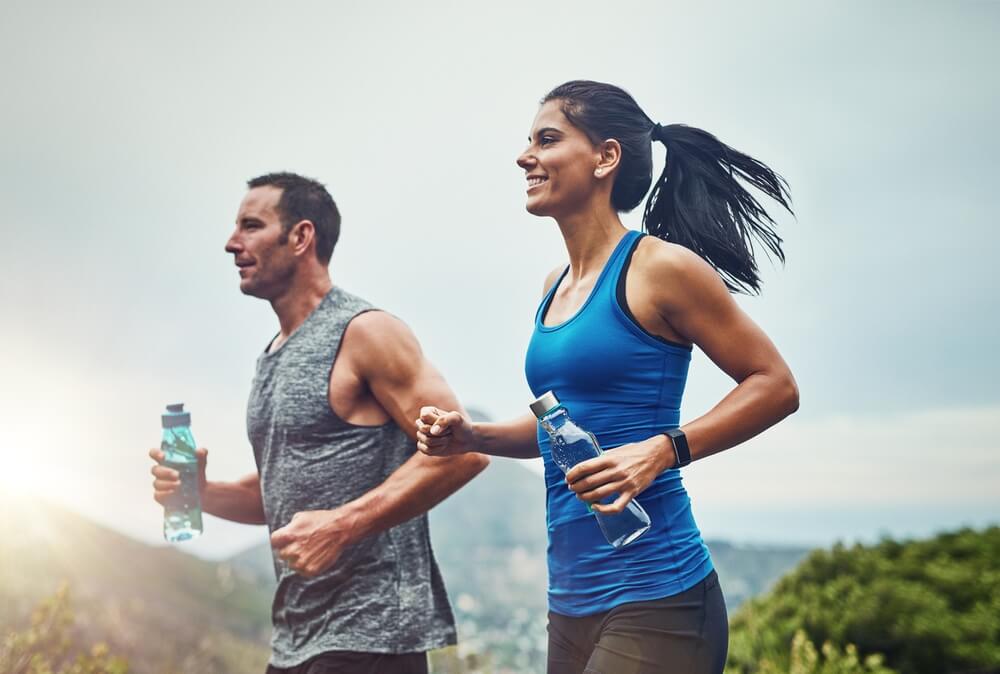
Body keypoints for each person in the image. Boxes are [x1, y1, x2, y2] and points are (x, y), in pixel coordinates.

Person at [416, 81, 800, 674]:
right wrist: (473, 436)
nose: (525, 157)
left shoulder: (661, 269)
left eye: (547, 139)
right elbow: (561, 424)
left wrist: (663, 450)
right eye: (529, 142)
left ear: (605, 157)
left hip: (659, 596)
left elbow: (774, 384)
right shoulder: (554, 287)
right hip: (570, 603)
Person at [149, 172, 489, 674]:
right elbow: (284, 494)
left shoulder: (366, 331)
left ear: (301, 236)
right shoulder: (271, 356)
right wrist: (203, 491)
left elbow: (463, 450)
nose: (231, 243)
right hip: (295, 641)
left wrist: (343, 525)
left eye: (250, 226)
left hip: (372, 636)